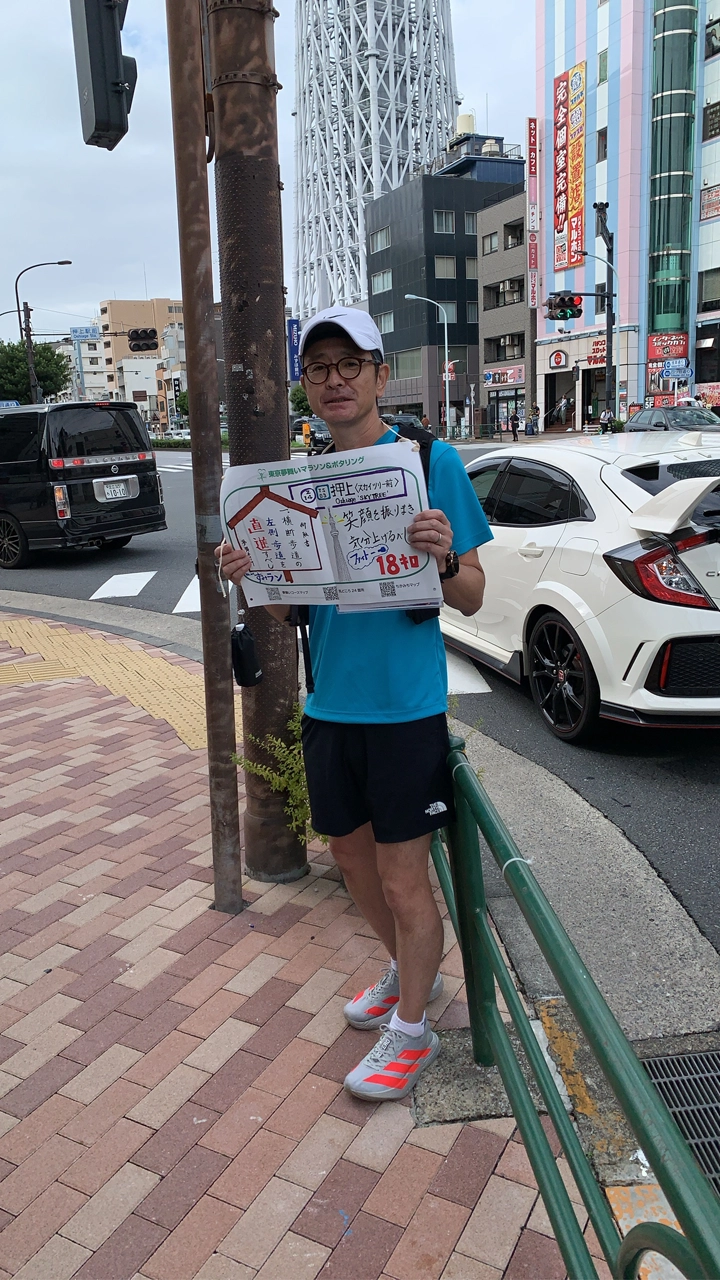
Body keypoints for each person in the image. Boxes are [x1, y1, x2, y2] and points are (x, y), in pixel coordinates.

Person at [217, 306, 491, 1101]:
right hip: (330, 707)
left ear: (379, 373)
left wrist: (444, 559)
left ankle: (414, 1031)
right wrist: (252, 574)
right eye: (319, 368)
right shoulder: (302, 480)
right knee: (349, 862)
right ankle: (409, 973)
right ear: (306, 384)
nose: (334, 380)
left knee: (405, 883)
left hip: (405, 711)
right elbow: (289, 612)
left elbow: (474, 595)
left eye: (350, 365)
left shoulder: (430, 461)